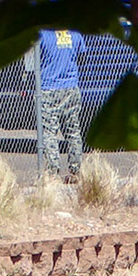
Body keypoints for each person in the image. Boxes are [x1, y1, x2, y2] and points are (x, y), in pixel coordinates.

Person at [38, 27, 84, 180]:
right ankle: (75, 169)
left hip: (48, 88)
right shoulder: (75, 34)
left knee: (49, 132)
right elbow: (81, 57)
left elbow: (33, 60)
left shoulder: (42, 35)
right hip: (71, 87)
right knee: (73, 131)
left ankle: (52, 172)